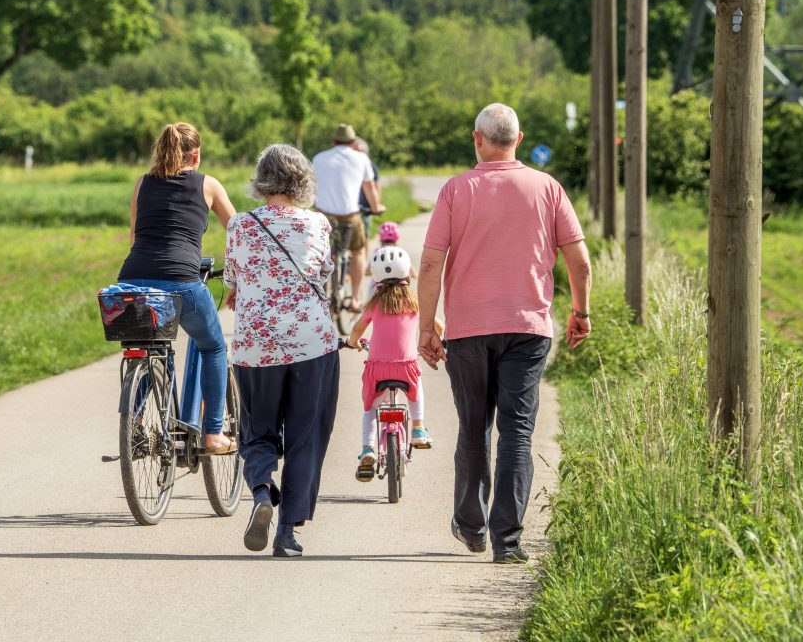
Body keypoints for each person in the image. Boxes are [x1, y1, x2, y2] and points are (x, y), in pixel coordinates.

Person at [418, 103, 592, 564]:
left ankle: (471, 528)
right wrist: (581, 311)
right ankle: (508, 542)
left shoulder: (456, 190)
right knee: (517, 433)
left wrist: (425, 328)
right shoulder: (548, 188)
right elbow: (579, 260)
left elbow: (432, 261)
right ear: (519, 137)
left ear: (478, 138)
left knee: (474, 428)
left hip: (469, 330)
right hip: (528, 329)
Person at [224, 143, 340, 558]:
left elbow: (233, 280)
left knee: (257, 429)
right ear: (302, 180)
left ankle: (260, 492)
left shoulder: (239, 224)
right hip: (311, 342)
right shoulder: (318, 224)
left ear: (261, 178)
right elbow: (322, 273)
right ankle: (287, 532)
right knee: (306, 434)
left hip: (256, 346)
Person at [118, 122, 237, 455]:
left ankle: (136, 426)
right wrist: (238, 278)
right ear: (195, 155)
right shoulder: (208, 185)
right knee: (213, 346)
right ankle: (213, 433)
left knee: (149, 344)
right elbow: (240, 233)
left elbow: (134, 239)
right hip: (182, 282)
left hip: (132, 281)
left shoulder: (142, 183)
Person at [347, 247, 438, 481]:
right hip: (406, 366)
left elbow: (358, 329)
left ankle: (367, 449)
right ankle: (418, 428)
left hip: (377, 368)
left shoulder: (374, 303)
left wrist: (353, 342)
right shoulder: (414, 301)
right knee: (416, 389)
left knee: (370, 408)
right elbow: (437, 326)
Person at [313, 124, 383, 308]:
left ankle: (320, 295)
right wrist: (376, 208)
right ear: (353, 142)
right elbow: (370, 189)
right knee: (358, 252)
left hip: (324, 217)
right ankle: (355, 298)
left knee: (321, 253)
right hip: (350, 217)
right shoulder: (361, 158)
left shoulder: (318, 158)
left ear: (333, 141)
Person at [354, 137, 380, 242]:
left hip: (365, 207)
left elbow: (376, 186)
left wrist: (376, 205)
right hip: (351, 208)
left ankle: (364, 257)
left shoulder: (370, 166)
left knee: (365, 236)